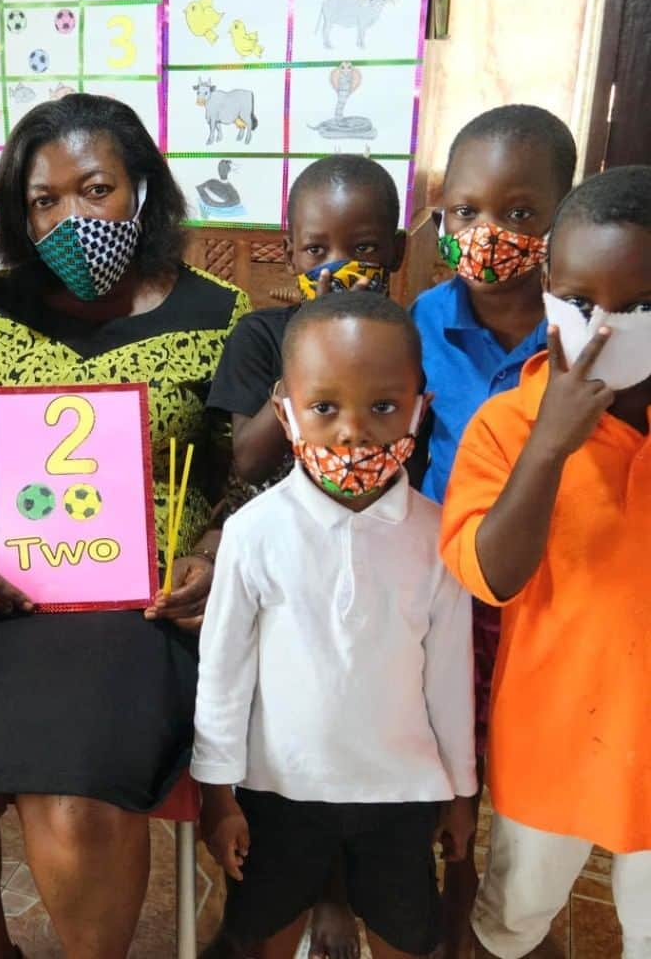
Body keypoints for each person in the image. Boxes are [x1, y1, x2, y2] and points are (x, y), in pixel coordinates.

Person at [0, 93, 249, 958]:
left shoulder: (222, 317)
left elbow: (252, 478)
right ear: (19, 213)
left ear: (144, 190)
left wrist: (215, 555)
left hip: (142, 610)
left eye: (96, 189)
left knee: (74, 803)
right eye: (44, 200)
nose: (72, 217)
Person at [194, 291, 477, 959]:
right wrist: (216, 793)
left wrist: (462, 793)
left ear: (419, 408)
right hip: (278, 789)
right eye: (325, 408)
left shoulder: (439, 539)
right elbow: (225, 670)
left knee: (406, 935)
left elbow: (449, 679)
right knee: (263, 932)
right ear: (286, 410)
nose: (353, 433)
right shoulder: (253, 533)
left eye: (382, 407)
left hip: (401, 795)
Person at [440, 165, 651, 959]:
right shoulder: (506, 424)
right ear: (547, 293)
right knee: (514, 917)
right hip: (552, 741)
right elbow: (491, 575)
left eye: (638, 308)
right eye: (581, 302)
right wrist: (549, 447)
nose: (606, 327)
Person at [409, 104, 577, 956]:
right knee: (453, 767)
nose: (489, 233)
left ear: (564, 217)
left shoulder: (587, 333)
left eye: (520, 213)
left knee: (526, 781)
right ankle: (455, 895)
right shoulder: (421, 325)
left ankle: (512, 921)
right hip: (450, 590)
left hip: (556, 602)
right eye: (468, 210)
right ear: (440, 213)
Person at [208, 155, 406, 511]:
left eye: (363, 249)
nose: (337, 266)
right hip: (273, 536)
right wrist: (316, 346)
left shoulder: (403, 345)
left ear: (396, 251)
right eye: (317, 250)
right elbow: (251, 464)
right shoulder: (259, 335)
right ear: (290, 256)